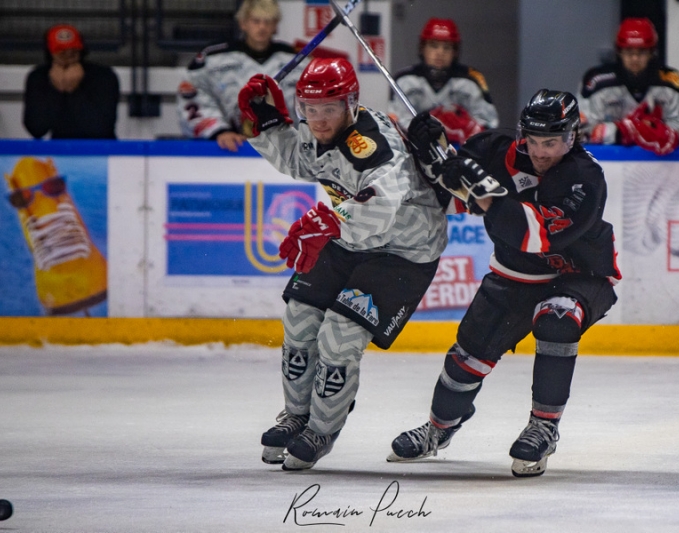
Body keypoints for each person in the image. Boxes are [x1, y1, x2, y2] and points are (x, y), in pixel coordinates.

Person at [388, 89, 621, 477]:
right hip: (515, 275)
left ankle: (544, 427)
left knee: (557, 317)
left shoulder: (585, 178)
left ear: (572, 136)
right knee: (465, 362)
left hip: (582, 275)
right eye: (535, 141)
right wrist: (433, 154)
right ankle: (438, 429)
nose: (543, 151)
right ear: (522, 136)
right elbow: (443, 197)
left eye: (553, 142)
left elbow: (535, 236)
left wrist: (481, 192)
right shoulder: (492, 151)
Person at [237, 57, 448, 470]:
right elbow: (302, 160)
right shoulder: (322, 129)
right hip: (350, 238)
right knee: (299, 320)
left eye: (329, 109)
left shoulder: (372, 144)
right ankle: (296, 416)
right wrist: (265, 124)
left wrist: (330, 221)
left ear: (351, 102)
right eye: (308, 110)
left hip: (403, 250)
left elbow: (382, 204)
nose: (317, 120)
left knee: (338, 336)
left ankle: (321, 428)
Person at [177, 0, 307, 152]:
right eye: (256, 21)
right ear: (243, 23)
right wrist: (219, 131)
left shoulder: (296, 61)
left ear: (275, 25)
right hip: (226, 149)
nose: (262, 27)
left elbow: (313, 107)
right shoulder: (213, 59)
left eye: (268, 22)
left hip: (285, 151)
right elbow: (192, 97)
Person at [579, 17, 679, 155]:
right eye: (629, 51)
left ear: (652, 53)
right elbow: (582, 129)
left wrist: (660, 132)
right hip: (606, 162)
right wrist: (619, 132)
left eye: (641, 52)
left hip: (658, 160)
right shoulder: (596, 82)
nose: (635, 58)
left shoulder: (669, 81)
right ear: (619, 52)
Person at [388, 18, 499, 144]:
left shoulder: (471, 81)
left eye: (447, 47)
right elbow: (394, 123)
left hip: (461, 153)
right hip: (415, 151)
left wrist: (468, 127)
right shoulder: (405, 80)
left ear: (455, 52)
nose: (440, 52)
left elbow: (490, 124)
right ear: (422, 48)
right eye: (433, 45)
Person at [23, 24, 119, 139]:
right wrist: (56, 89)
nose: (68, 56)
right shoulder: (39, 77)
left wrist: (75, 90)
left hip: (100, 149)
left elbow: (101, 128)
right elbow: (36, 129)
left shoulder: (103, 76)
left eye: (74, 52)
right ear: (50, 53)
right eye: (62, 53)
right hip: (60, 149)